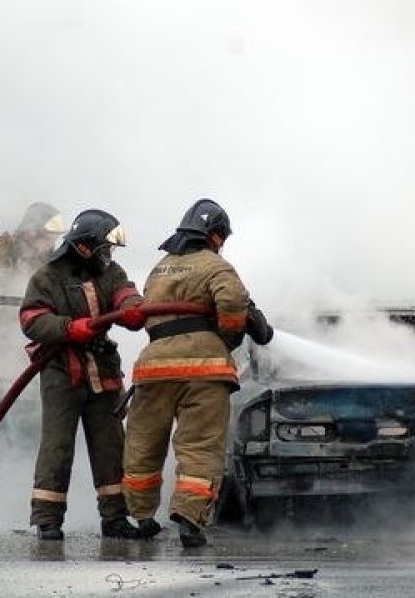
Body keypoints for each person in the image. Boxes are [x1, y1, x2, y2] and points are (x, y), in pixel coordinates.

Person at [122, 198, 274, 547]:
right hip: (203, 369)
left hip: (154, 367)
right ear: (216, 235)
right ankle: (190, 519)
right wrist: (228, 338)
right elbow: (233, 304)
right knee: (200, 446)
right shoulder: (216, 266)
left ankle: (142, 517)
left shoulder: (160, 268)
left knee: (143, 443)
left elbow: (148, 312)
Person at [18, 208, 146, 540]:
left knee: (110, 444)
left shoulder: (110, 271)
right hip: (62, 371)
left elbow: (124, 292)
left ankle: (115, 518)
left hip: (102, 371)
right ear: (86, 246)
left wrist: (132, 306)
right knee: (57, 445)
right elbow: (31, 319)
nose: (109, 254)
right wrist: (69, 328)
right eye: (105, 247)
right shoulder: (47, 276)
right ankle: (47, 520)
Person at [0, 201, 68, 304]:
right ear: (30, 233)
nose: (50, 244)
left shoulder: (50, 265)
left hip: (34, 319)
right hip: (0, 318)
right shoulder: (5, 254)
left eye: (54, 239)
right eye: (48, 239)